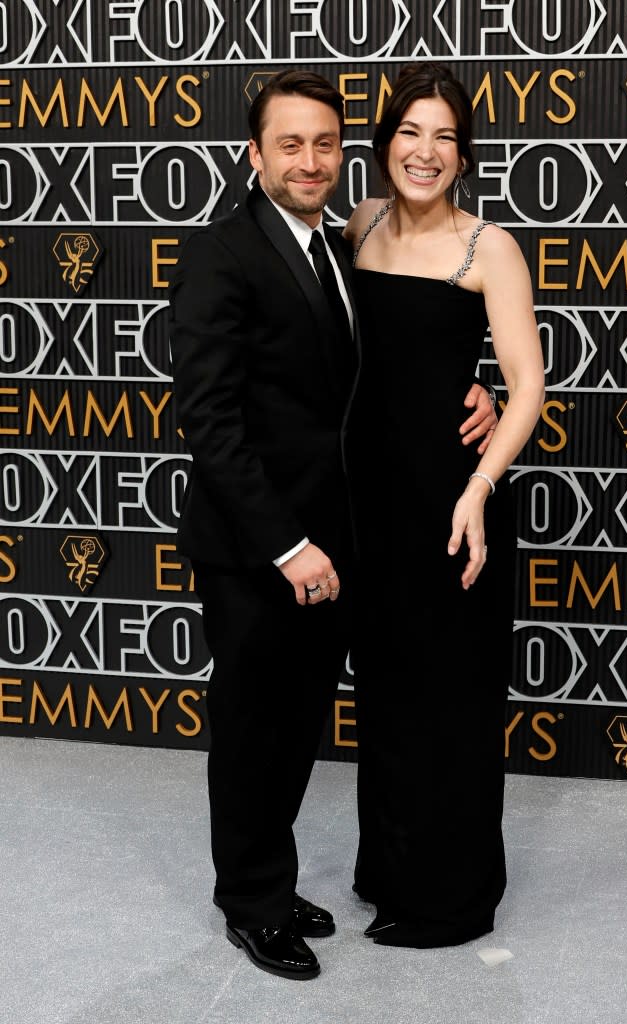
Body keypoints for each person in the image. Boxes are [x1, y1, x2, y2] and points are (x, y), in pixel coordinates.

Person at [169, 69, 497, 979]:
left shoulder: (340, 241)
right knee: (250, 728)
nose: (309, 161)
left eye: (323, 144)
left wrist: (460, 386)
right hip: (260, 546)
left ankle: (270, 879)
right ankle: (250, 904)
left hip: (339, 540)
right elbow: (211, 422)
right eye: (290, 145)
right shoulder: (221, 253)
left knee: (296, 721)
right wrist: (286, 545)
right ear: (254, 153)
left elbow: (379, 364)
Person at [343, 62, 545, 949]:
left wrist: (476, 487)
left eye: (444, 138)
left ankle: (450, 898)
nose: (423, 152)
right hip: (365, 502)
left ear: (463, 156)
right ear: (385, 141)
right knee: (384, 690)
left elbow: (527, 389)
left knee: (450, 699)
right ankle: (387, 870)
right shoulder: (354, 229)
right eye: (409, 132)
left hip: (449, 501)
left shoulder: (486, 246)